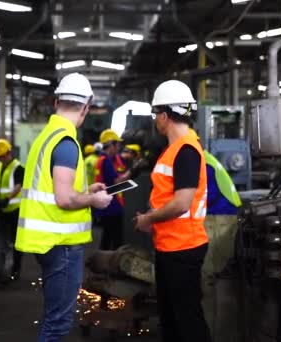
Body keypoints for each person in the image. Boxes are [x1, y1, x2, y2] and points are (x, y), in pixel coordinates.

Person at [15, 72, 113, 342]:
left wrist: (86, 191)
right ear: (86, 107)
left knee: (53, 318)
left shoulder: (47, 136)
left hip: (49, 243)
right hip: (62, 245)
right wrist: (94, 200)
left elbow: (57, 189)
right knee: (58, 323)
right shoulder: (67, 143)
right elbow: (64, 198)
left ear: (57, 102)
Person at [134, 80, 211, 342]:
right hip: (172, 246)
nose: (156, 120)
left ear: (165, 116)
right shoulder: (176, 149)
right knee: (172, 320)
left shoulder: (186, 150)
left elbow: (181, 203)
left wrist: (148, 218)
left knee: (187, 321)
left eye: (157, 114)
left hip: (183, 248)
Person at [190, 129, 242, 339]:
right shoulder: (207, 159)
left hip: (220, 220)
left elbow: (202, 196)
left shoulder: (202, 162)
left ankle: (212, 333)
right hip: (222, 218)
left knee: (210, 277)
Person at [0, 138, 25, 280]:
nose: (0, 159)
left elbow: (18, 185)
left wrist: (7, 199)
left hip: (15, 210)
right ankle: (1, 268)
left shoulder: (18, 168)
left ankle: (16, 270)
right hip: (1, 209)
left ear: (9, 153)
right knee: (1, 240)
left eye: (2, 156)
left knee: (17, 242)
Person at [94, 129, 134, 250]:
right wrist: (132, 171)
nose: (119, 147)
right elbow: (116, 181)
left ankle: (104, 262)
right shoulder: (105, 161)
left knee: (109, 236)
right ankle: (111, 263)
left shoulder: (109, 159)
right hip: (111, 204)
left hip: (110, 203)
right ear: (110, 145)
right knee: (114, 237)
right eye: (117, 144)